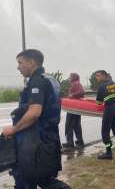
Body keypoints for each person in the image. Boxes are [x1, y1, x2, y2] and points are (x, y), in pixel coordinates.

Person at [2, 49, 71, 189]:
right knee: (44, 179)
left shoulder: (37, 82)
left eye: (20, 63)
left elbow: (34, 113)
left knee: (27, 179)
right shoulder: (50, 80)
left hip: (34, 142)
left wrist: (13, 130)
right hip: (48, 139)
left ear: (31, 62)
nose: (18, 67)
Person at [62, 73, 85, 149]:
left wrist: (72, 95)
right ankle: (79, 142)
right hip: (75, 108)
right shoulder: (75, 84)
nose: (69, 78)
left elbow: (82, 92)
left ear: (74, 77)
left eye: (70, 77)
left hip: (73, 108)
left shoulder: (76, 84)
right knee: (76, 126)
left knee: (69, 125)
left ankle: (70, 143)